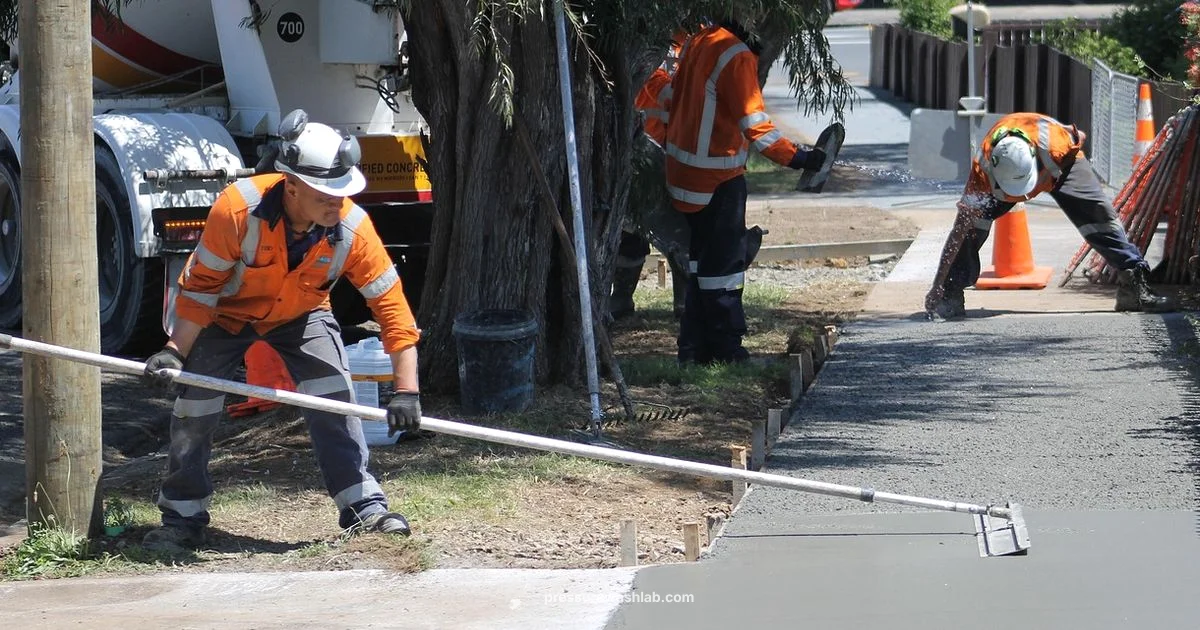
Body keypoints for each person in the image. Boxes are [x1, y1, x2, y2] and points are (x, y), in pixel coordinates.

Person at [140, 109, 423, 551]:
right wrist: (175, 351)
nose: (338, 203)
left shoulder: (352, 227)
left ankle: (363, 507)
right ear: (291, 186)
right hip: (225, 317)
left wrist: (407, 391)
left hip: (302, 316)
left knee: (334, 397)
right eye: (326, 194)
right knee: (195, 408)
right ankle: (182, 516)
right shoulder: (236, 210)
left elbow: (393, 311)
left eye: (342, 193)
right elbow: (201, 291)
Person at [664, 16, 826, 364]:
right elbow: (757, 127)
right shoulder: (734, 55)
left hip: (684, 175)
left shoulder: (701, 39)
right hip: (716, 179)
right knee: (723, 270)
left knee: (701, 267)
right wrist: (799, 158)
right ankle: (726, 351)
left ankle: (693, 350)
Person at [926, 112, 1173, 319]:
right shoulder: (982, 175)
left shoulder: (1057, 144)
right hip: (1017, 174)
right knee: (970, 229)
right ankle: (949, 293)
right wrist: (937, 284)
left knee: (1099, 218)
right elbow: (958, 229)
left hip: (1064, 166)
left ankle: (1133, 285)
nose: (1023, 197)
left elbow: (1079, 136)